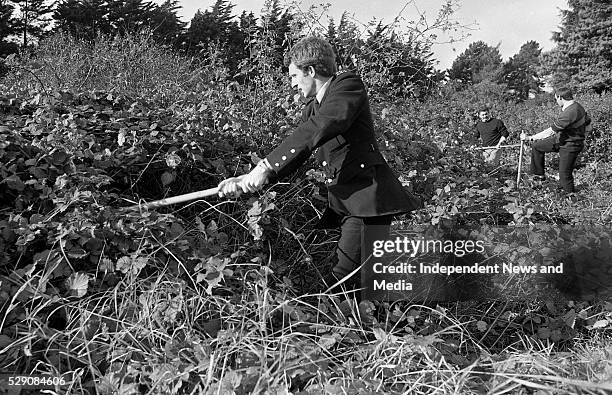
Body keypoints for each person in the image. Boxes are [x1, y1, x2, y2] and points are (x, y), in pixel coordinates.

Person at [217, 36, 420, 289]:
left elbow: (323, 125)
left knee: (343, 280)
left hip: (368, 199)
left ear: (310, 70)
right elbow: (300, 149)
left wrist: (265, 166)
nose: (292, 84)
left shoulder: (347, 85)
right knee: (363, 280)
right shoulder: (312, 108)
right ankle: (377, 320)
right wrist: (252, 178)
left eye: (293, 76)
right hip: (345, 202)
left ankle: (367, 323)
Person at [521, 87, 591, 193]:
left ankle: (570, 198)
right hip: (562, 139)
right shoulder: (578, 106)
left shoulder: (569, 113)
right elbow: (589, 124)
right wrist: (583, 136)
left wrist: (529, 137)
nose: (556, 102)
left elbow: (550, 131)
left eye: (556, 99)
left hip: (571, 145)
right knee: (537, 146)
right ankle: (539, 176)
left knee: (564, 173)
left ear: (560, 97)